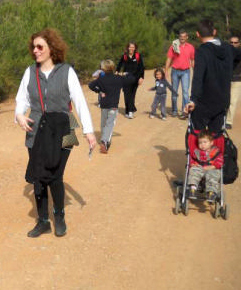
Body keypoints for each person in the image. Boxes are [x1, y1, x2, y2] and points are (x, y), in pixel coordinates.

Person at [15, 28, 96, 238]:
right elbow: (21, 99)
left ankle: (59, 216)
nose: (35, 50)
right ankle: (43, 221)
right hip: (37, 129)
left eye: (40, 46)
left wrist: (88, 131)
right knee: (38, 178)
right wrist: (19, 115)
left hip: (65, 128)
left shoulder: (67, 71)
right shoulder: (29, 72)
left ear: (51, 48)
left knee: (55, 176)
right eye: (33, 47)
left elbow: (79, 101)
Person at [185, 19, 234, 132]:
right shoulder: (227, 48)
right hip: (222, 101)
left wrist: (193, 100)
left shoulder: (202, 51)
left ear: (197, 34)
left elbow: (198, 78)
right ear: (214, 32)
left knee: (199, 136)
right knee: (216, 136)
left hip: (204, 102)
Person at [88, 59, 134, 154]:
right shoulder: (118, 78)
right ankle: (105, 141)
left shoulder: (101, 79)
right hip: (113, 105)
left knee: (103, 123)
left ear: (103, 68)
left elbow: (91, 85)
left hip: (104, 104)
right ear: (112, 67)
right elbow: (132, 79)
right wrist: (124, 73)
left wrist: (99, 91)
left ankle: (103, 139)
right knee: (110, 124)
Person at [165, 30, 195, 118]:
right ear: (179, 37)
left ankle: (184, 111)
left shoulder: (191, 47)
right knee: (174, 92)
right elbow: (169, 59)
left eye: (184, 36)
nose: (182, 38)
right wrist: (166, 70)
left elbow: (192, 60)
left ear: (187, 37)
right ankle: (174, 110)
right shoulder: (174, 46)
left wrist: (195, 71)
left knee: (185, 93)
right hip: (175, 71)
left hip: (186, 72)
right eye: (181, 36)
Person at [188, 129, 223, 200]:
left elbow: (220, 162)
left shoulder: (216, 152)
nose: (202, 145)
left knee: (213, 175)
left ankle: (211, 192)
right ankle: (193, 188)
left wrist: (212, 166)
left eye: (205, 142)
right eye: (200, 143)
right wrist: (193, 164)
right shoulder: (197, 152)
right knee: (193, 170)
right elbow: (193, 160)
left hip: (211, 169)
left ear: (211, 143)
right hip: (200, 169)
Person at [116, 41, 145, 118]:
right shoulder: (124, 56)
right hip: (126, 77)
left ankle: (130, 111)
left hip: (135, 78)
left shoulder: (138, 56)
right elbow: (119, 64)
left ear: (135, 48)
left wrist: (142, 77)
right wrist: (117, 72)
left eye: (133, 47)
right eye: (130, 47)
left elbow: (142, 67)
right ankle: (127, 110)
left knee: (132, 94)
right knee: (126, 94)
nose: (131, 48)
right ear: (128, 48)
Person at [226, 36, 241, 130]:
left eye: (235, 42)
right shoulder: (225, 53)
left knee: (232, 102)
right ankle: (221, 118)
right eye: (231, 42)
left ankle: (229, 121)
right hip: (225, 80)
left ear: (239, 44)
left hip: (236, 81)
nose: (233, 44)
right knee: (224, 100)